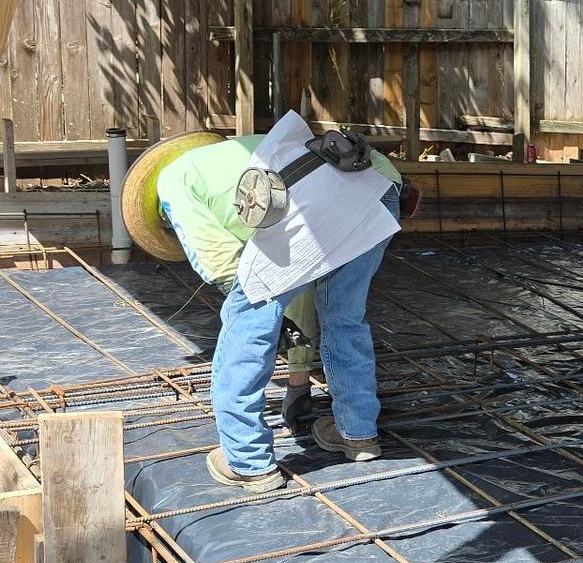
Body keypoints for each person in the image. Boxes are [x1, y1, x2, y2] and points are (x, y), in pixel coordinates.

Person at [123, 128, 405, 493]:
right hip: (379, 188)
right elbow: (299, 270)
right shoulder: (229, 157)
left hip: (314, 204)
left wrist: (263, 315)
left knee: (245, 322)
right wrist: (295, 358)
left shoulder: (173, 185)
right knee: (344, 316)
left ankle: (247, 461)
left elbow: (220, 264)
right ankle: (358, 435)